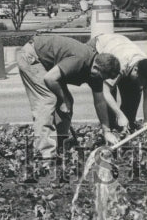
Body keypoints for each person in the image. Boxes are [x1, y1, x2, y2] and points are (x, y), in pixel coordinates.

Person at [17, 33, 127, 161]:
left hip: (50, 65)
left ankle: (61, 144)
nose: (103, 81)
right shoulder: (80, 60)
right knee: (47, 100)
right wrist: (62, 100)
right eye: (103, 77)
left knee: (68, 102)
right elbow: (50, 78)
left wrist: (106, 130)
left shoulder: (96, 72)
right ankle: (45, 156)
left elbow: (99, 102)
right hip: (32, 57)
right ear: (96, 68)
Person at [91, 30, 147, 132]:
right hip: (101, 45)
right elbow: (104, 91)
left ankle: (125, 128)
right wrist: (119, 115)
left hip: (122, 48)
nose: (142, 86)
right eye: (140, 82)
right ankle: (110, 131)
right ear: (136, 70)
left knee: (134, 93)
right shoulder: (120, 63)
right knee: (110, 103)